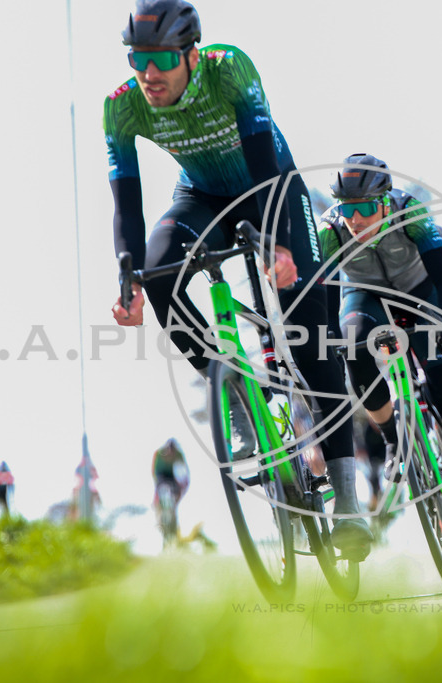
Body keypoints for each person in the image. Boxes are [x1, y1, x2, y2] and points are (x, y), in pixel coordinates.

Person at [104, 0, 370, 560]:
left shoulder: (229, 69)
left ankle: (347, 499)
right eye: (137, 59)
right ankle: (235, 392)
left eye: (161, 59)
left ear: (190, 54)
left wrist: (279, 246)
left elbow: (265, 168)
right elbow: (126, 203)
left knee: (309, 335)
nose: (149, 73)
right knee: (158, 273)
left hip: (270, 189)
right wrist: (128, 277)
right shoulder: (122, 106)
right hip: (200, 196)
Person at [318, 153, 442, 551]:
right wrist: (329, 338)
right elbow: (329, 296)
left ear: (385, 202)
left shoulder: (411, 211)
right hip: (365, 295)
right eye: (348, 209)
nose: (356, 220)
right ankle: (391, 435)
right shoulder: (330, 230)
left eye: (365, 209)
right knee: (352, 347)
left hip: (421, 292)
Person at [152, 437, 190, 545]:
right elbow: (154, 472)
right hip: (161, 476)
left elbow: (185, 473)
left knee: (175, 498)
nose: (170, 455)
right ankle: (161, 519)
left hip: (172, 477)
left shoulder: (179, 455)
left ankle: (173, 524)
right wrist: (157, 490)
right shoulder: (159, 453)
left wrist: (182, 487)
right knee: (161, 493)